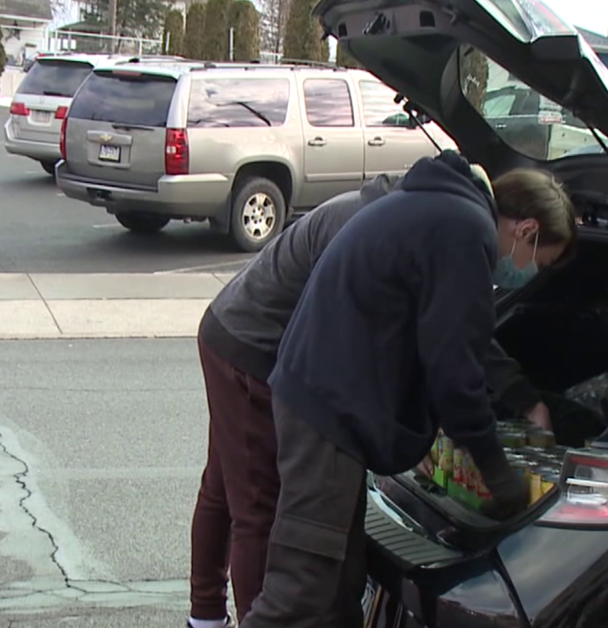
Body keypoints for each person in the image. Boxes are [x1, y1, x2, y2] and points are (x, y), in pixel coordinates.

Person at [187, 152, 573, 628]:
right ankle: (210, 616)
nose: (528, 271)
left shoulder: (438, 209)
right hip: (309, 395)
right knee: (298, 581)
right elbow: (456, 375)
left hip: (322, 396)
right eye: (541, 262)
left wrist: (516, 393)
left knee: (341, 575)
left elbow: (456, 334)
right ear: (528, 230)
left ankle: (207, 616)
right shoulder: (463, 228)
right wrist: (499, 477)